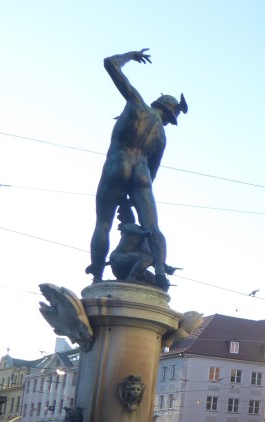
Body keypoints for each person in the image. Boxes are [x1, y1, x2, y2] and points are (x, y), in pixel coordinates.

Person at [89, 49, 187, 289]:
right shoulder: (161, 136)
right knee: (153, 226)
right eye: (170, 119)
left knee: (103, 223)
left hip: (117, 165)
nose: (167, 123)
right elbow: (152, 174)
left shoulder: (136, 103)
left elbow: (110, 64)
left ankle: (98, 278)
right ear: (167, 112)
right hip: (141, 174)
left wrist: (131, 56)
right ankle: (161, 271)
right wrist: (134, 197)